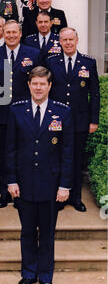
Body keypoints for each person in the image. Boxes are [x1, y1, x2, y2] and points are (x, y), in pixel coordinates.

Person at [5, 66, 73, 284]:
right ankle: (28, 273)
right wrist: (11, 180)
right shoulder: (17, 111)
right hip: (23, 184)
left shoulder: (62, 112)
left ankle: (45, 276)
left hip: (51, 185)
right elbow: (10, 149)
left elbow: (68, 152)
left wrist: (65, 185)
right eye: (34, 83)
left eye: (42, 84)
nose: (38, 87)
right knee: (26, 231)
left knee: (46, 232)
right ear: (29, 85)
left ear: (49, 86)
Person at [45, 27, 100, 212]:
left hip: (80, 121)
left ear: (77, 40)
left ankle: (75, 197)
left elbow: (95, 93)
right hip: (56, 121)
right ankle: (59, 197)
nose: (68, 43)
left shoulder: (88, 63)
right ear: (59, 42)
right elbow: (47, 91)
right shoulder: (51, 62)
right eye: (64, 40)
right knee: (57, 158)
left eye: (71, 39)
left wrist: (94, 120)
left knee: (76, 160)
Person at [0, 20, 40, 208]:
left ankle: (21, 194)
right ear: (2, 32)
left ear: (20, 33)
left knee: (23, 153)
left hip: (25, 114)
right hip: (1, 114)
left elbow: (38, 83)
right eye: (7, 32)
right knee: (3, 154)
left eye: (14, 32)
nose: (10, 35)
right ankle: (4, 193)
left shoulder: (33, 54)